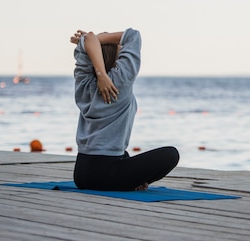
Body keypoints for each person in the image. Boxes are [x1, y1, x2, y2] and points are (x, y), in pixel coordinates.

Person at [69, 28, 179, 191]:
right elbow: (133, 36)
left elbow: (87, 39)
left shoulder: (83, 81)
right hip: (107, 174)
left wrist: (100, 71)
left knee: (125, 157)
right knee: (171, 154)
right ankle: (128, 181)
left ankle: (130, 180)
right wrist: (100, 39)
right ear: (117, 57)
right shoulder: (120, 82)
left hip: (81, 173)